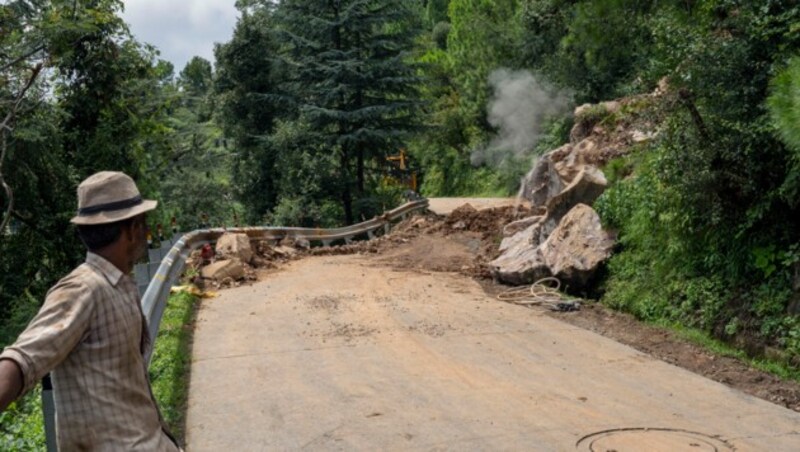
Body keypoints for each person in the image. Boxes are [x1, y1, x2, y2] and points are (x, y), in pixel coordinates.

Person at [0, 171, 180, 451]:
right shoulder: (81, 290)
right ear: (131, 230)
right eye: (143, 224)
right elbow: (22, 359)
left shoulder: (120, 284)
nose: (146, 233)